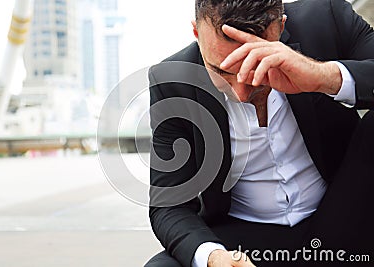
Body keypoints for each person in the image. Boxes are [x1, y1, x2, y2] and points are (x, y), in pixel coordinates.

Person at [146, 0, 374, 266]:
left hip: (345, 217)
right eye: (221, 71)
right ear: (197, 33)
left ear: (279, 27)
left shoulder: (326, 19)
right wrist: (213, 256)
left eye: (254, 68)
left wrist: (322, 76)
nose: (240, 94)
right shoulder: (172, 82)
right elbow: (169, 205)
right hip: (246, 242)